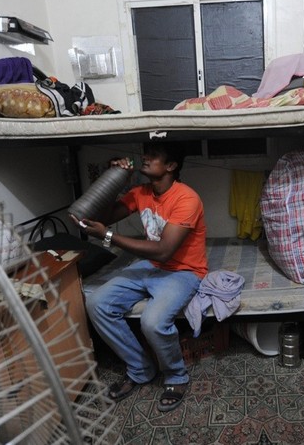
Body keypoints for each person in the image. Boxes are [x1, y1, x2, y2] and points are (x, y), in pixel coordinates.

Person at [73, 142, 207, 413]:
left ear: (171, 166)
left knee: (153, 321)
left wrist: (108, 236)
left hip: (183, 271)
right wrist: (113, 181)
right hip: (150, 265)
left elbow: (165, 250)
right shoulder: (140, 192)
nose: (145, 158)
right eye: (146, 153)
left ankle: (176, 376)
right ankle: (140, 368)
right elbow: (103, 216)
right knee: (97, 303)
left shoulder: (186, 198)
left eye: (154, 155)